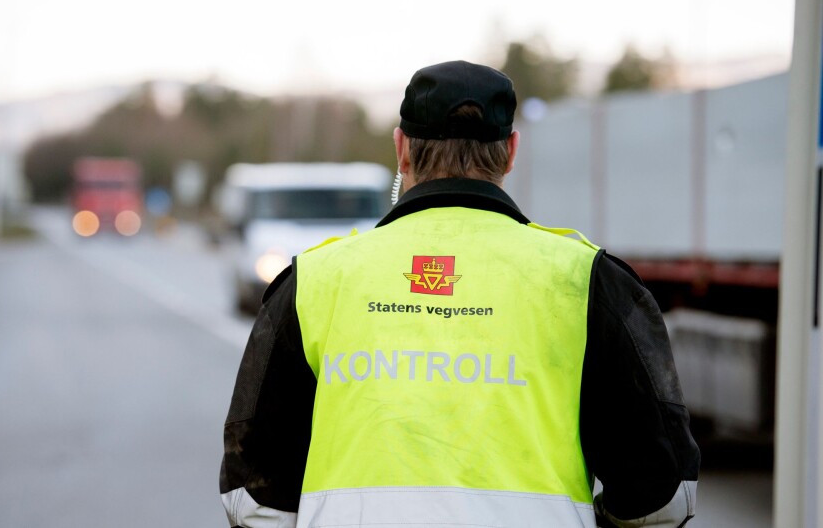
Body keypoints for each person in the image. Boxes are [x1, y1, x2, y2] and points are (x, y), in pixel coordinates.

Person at [220, 60, 700, 528]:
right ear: (512, 151)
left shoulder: (315, 279)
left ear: (401, 148)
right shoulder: (588, 280)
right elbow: (663, 497)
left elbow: (251, 498)